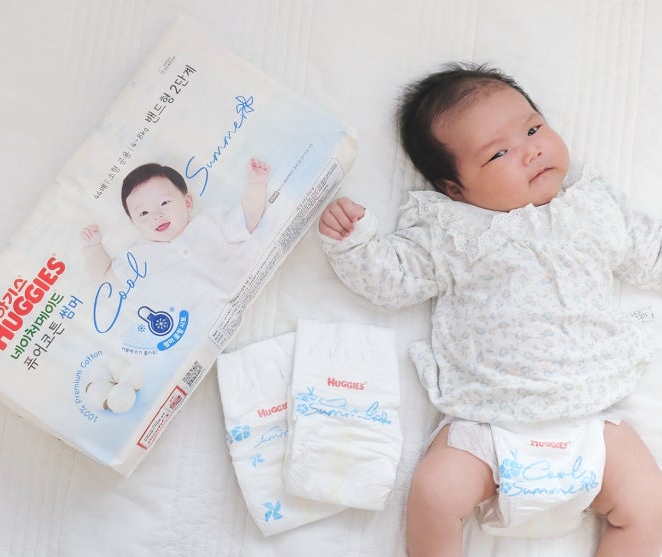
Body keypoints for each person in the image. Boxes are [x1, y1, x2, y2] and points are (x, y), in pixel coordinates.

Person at [318, 62, 662, 557]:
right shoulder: (451, 231)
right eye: (499, 153)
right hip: (486, 422)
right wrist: (353, 243)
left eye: (533, 129)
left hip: (591, 416)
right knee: (434, 495)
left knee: (649, 507)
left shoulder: (594, 208)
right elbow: (392, 281)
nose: (530, 151)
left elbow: (651, 254)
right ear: (455, 189)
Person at [80, 156, 270, 286]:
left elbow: (247, 220)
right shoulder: (139, 257)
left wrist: (256, 184)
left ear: (187, 202)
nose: (156, 216)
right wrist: (93, 247)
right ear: (134, 223)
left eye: (164, 203)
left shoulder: (211, 221)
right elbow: (105, 280)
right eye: (143, 213)